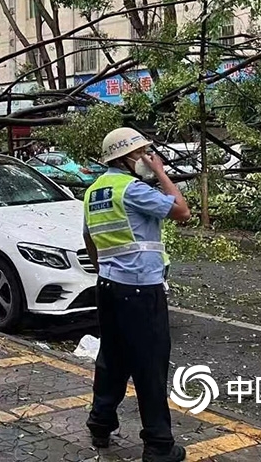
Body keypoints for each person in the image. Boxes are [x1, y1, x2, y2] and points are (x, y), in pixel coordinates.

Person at [83, 127, 190, 462]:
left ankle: (100, 423)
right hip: (141, 290)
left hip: (108, 287)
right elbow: (182, 211)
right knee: (150, 365)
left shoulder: (95, 191)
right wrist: (161, 172)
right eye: (143, 153)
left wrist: (108, 270)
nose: (148, 158)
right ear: (127, 158)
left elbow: (89, 239)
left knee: (111, 359)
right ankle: (159, 445)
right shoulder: (133, 189)